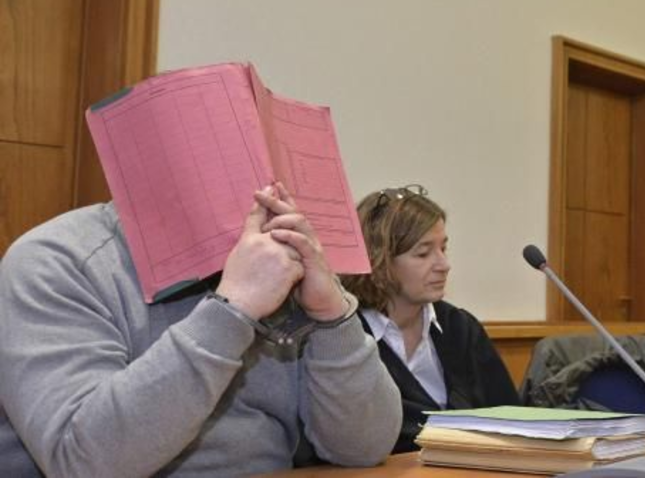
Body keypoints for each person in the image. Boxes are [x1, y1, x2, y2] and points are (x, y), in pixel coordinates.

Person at [0, 183, 403, 477]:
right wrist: (234, 309)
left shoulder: (278, 258)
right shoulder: (56, 261)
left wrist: (332, 316)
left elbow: (364, 447)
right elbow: (86, 463)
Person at [341, 185, 519, 454]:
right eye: (423, 253)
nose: (444, 265)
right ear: (379, 260)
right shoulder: (345, 336)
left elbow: (512, 421)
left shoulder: (460, 327)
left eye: (443, 248)